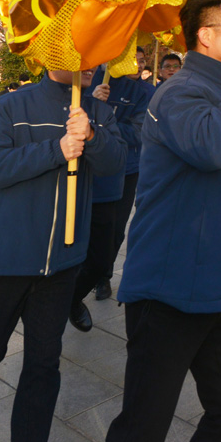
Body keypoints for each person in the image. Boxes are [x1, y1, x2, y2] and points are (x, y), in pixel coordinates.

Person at [100, 0, 221, 442]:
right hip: (171, 288)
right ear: (206, 36)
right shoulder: (179, 91)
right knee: (143, 427)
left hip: (220, 288)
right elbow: (207, 147)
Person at [0, 66, 125, 442]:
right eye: (78, 51)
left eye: (95, 53)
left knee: (43, 366)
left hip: (60, 267)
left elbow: (115, 165)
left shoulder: (100, 112)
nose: (89, 62)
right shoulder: (10, 105)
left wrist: (91, 135)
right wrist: (55, 150)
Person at [70, 63, 152, 320]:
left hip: (120, 174)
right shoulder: (85, 81)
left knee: (106, 246)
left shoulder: (141, 92)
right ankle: (62, 299)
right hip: (79, 171)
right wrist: (90, 104)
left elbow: (139, 132)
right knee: (72, 239)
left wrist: (103, 119)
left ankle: (88, 286)